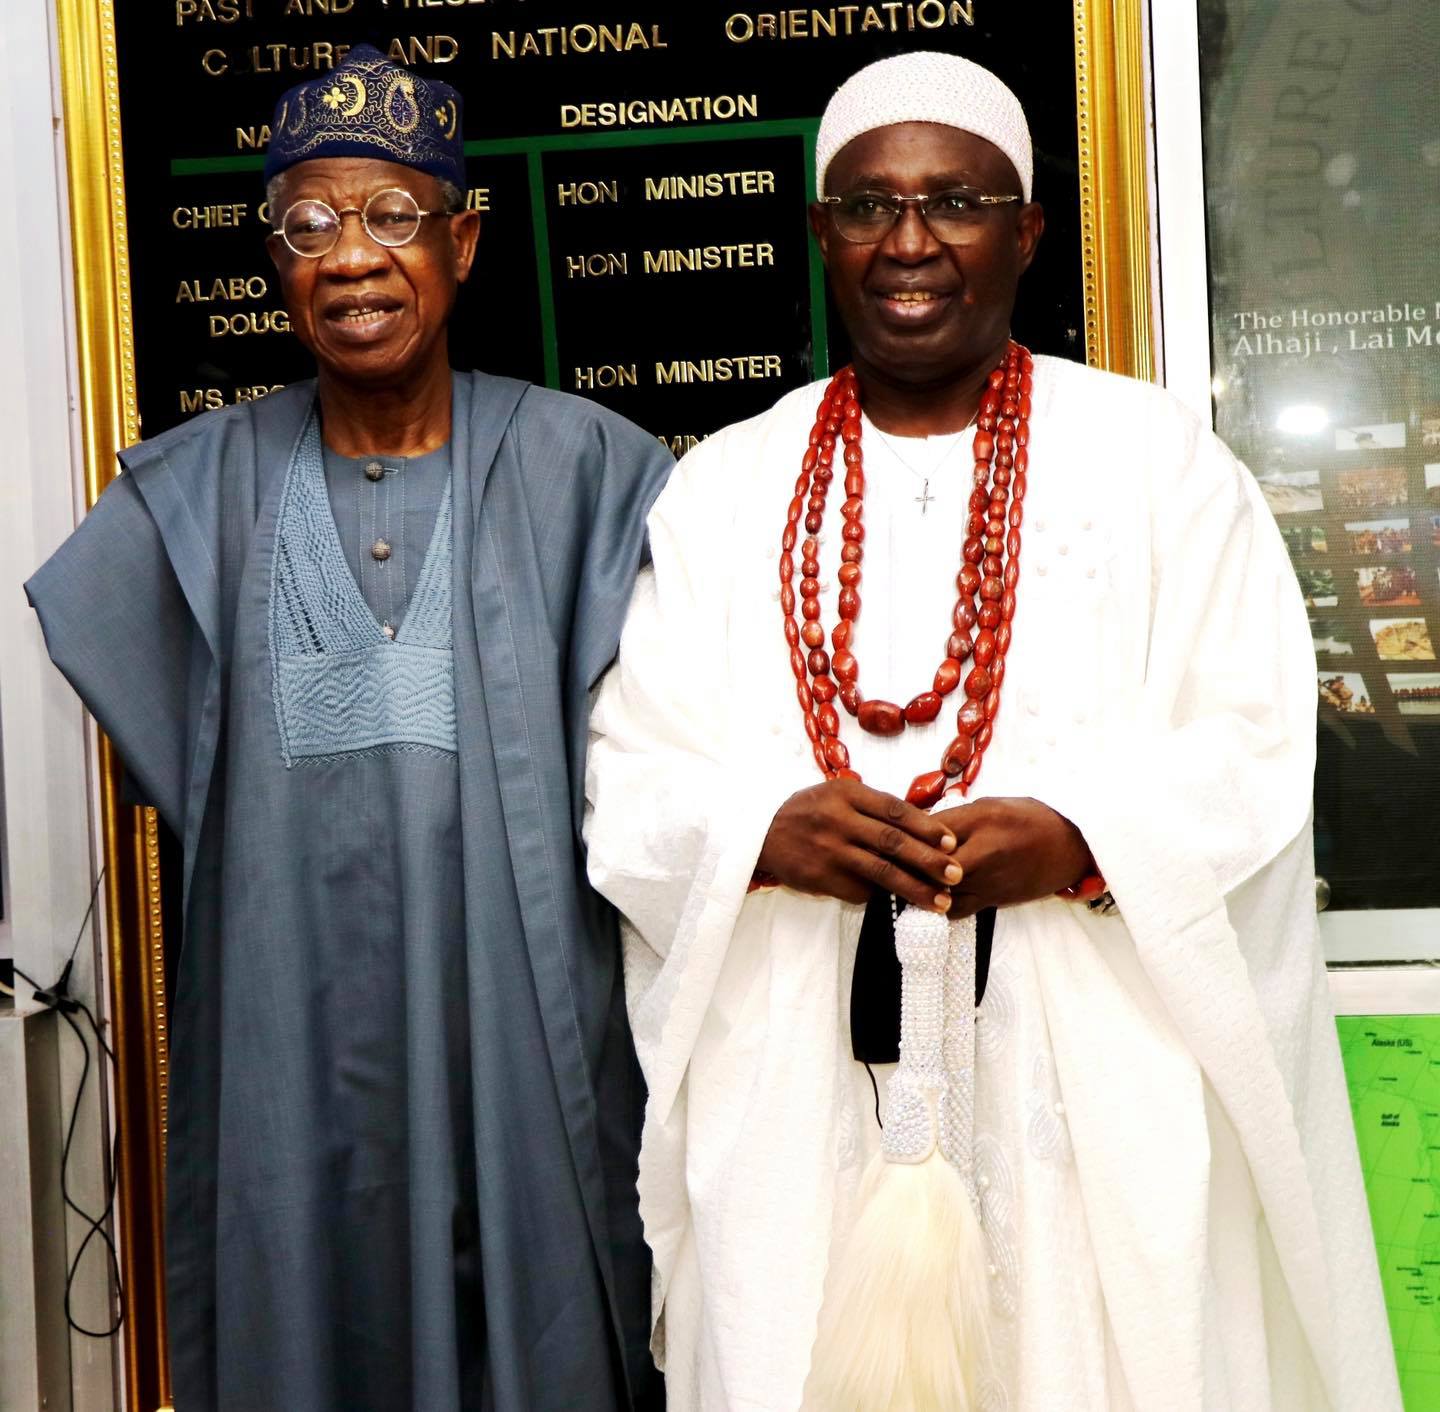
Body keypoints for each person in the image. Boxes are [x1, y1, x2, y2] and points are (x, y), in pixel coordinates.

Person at [584, 50, 1400, 1412]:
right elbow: (630, 781)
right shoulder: (725, 489)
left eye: (956, 200)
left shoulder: (1158, 470)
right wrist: (766, 832)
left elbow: (1255, 749)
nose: (910, 243)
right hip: (809, 1096)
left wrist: (1083, 841)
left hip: (1082, 1093)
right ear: (820, 234)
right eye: (867, 206)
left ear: (1025, 232)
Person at [28, 46, 670, 1412]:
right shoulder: (189, 499)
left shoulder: (594, 475)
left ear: (466, 240)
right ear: (273, 257)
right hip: (287, 1048)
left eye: (392, 216)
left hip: (526, 1042)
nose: (351, 260)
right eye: (309, 225)